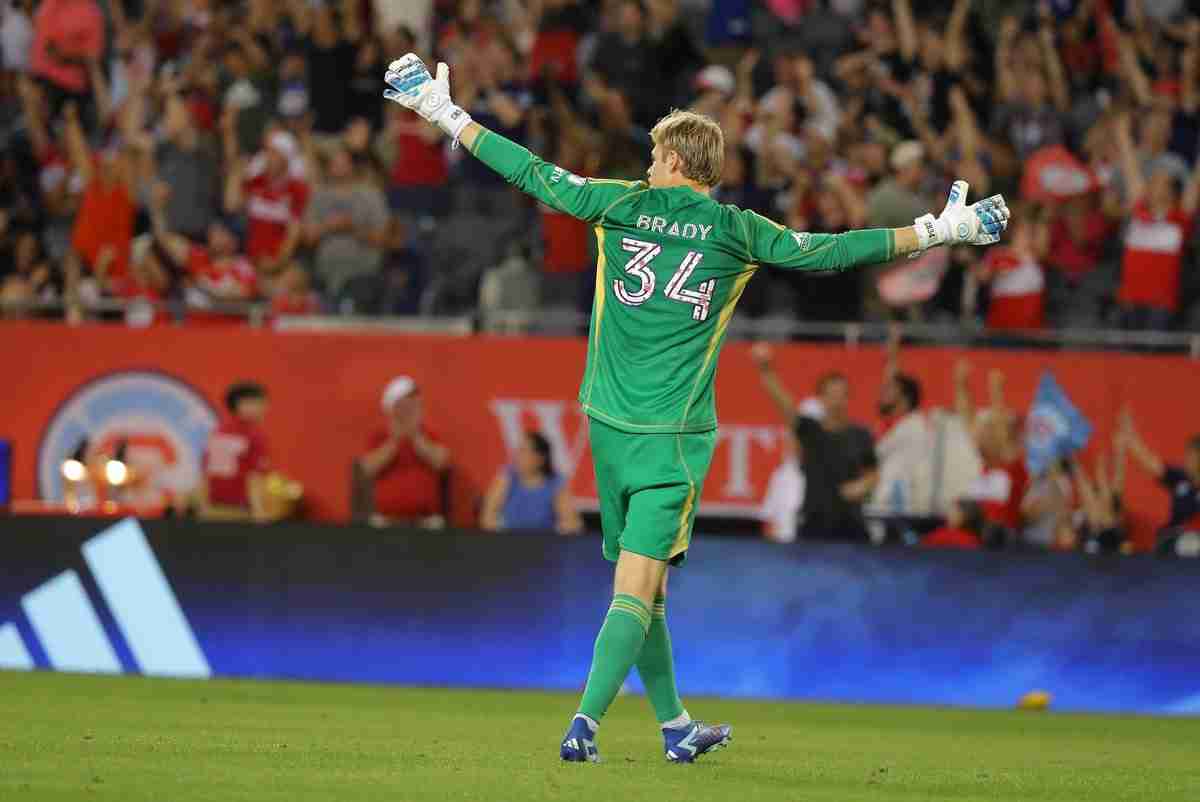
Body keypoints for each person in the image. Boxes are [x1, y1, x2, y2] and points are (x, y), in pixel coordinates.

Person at [382, 53, 1009, 764]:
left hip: (610, 429)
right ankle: (629, 726)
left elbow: (530, 170)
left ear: (679, 158)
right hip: (673, 441)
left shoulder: (618, 204)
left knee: (642, 593)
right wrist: (937, 231)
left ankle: (630, 724)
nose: (648, 161)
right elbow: (828, 252)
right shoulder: (735, 230)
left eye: (655, 151)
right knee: (639, 592)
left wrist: (445, 115)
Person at [751, 343, 877, 541]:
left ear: (848, 398)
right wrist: (766, 370)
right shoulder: (811, 431)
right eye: (831, 393)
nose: (837, 399)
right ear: (821, 398)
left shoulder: (860, 434)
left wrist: (862, 486)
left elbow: (873, 472)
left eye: (841, 393)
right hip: (814, 523)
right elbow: (786, 405)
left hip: (852, 524)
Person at [357, 375, 451, 529]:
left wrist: (416, 437)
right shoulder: (379, 437)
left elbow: (441, 463)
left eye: (412, 407)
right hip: (386, 520)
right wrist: (394, 441)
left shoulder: (429, 436)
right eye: (402, 407)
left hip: (426, 521)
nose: (407, 412)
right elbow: (368, 468)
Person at [1118, 406, 1200, 543]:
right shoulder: (1180, 478)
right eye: (1187, 454)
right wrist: (1130, 437)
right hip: (1174, 540)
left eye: (1192, 455)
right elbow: (1151, 464)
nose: (1187, 459)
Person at [480, 431, 582, 534]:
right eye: (518, 450)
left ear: (540, 458)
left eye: (523, 451)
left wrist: (562, 529)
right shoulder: (507, 477)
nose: (517, 456)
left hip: (545, 543)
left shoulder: (555, 483)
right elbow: (487, 515)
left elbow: (572, 522)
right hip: (509, 541)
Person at [201, 381, 271, 521]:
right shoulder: (254, 436)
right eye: (259, 403)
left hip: (213, 509)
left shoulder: (218, 432)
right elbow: (254, 477)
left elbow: (204, 473)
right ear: (241, 404)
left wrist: (204, 506)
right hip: (241, 512)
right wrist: (259, 511)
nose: (264, 408)